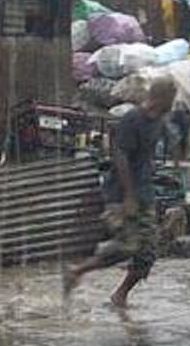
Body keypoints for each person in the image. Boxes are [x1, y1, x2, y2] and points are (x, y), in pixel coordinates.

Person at [64, 76, 178, 308]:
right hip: (121, 194)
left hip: (144, 192)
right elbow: (120, 157)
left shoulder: (158, 119)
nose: (173, 104)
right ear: (160, 99)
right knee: (128, 244)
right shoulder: (132, 119)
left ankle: (120, 295)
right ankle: (77, 270)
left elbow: (168, 137)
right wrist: (128, 196)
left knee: (147, 252)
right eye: (171, 99)